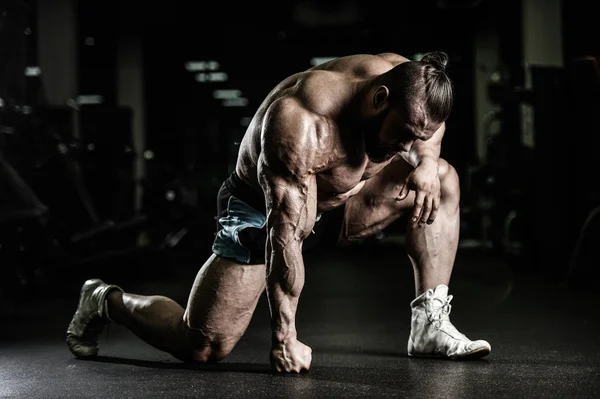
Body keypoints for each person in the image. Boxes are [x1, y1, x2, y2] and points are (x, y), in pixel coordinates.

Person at [66, 50, 491, 373]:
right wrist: (284, 337)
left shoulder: (409, 85)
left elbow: (427, 129)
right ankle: (105, 300)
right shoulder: (301, 122)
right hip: (265, 211)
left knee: (445, 180)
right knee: (203, 346)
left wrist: (429, 165)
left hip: (343, 201)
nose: (407, 148)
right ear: (378, 100)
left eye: (418, 137)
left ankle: (429, 326)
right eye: (402, 136)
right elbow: (284, 236)